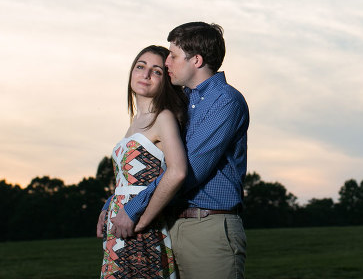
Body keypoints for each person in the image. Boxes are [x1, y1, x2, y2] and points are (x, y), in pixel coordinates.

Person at [106, 22, 250, 279]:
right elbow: (156, 165)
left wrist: (133, 208)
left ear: (196, 60)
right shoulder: (186, 101)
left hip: (207, 227)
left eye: (173, 55)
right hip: (170, 226)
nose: (167, 62)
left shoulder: (225, 101)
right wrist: (113, 203)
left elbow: (188, 170)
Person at [98, 45, 188, 279]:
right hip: (119, 227)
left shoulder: (163, 117)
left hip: (140, 225)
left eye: (156, 71)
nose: (146, 74)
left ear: (165, 80)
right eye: (140, 66)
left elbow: (177, 171)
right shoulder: (134, 123)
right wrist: (109, 204)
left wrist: (140, 219)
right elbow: (128, 180)